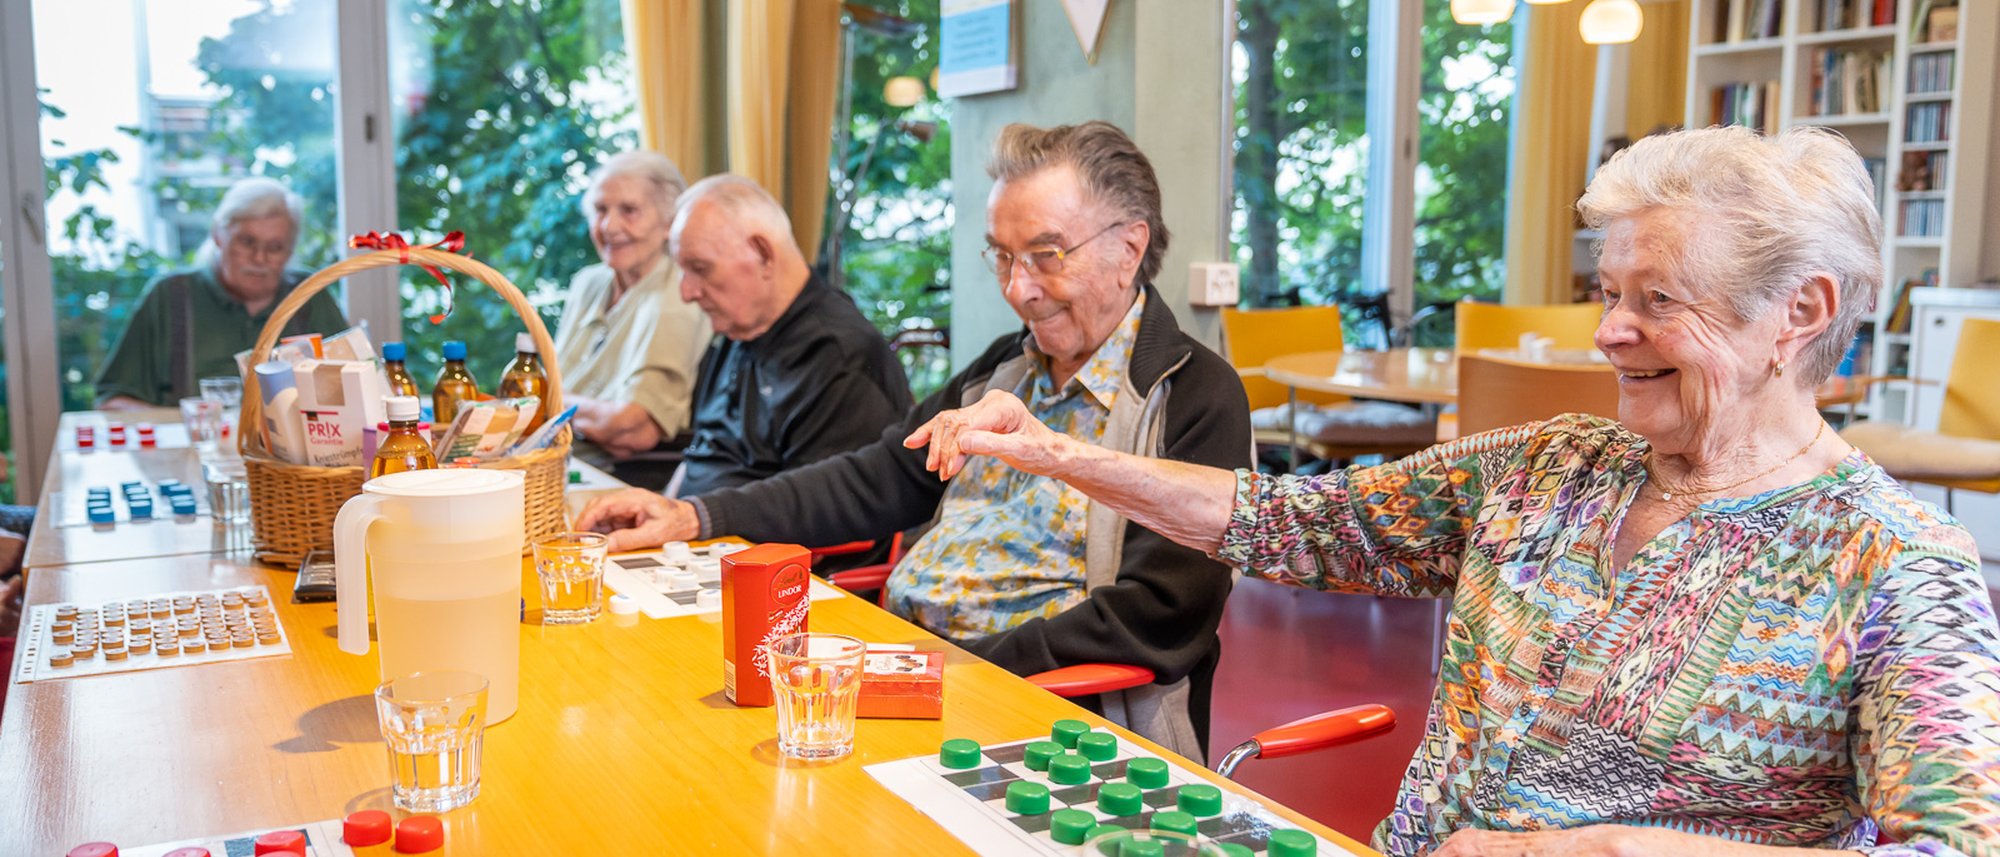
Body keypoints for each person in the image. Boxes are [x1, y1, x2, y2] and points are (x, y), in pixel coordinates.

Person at [907, 126, 2000, 856]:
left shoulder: (1898, 565)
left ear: (1800, 313)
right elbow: (1283, 519)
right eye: (1604, 291)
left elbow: (1946, 845)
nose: (1608, 331)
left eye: (1655, 298)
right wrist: (1054, 452)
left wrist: (1606, 846)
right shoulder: (1545, 466)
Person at [579, 122, 1252, 759]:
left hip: (1048, 717)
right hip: (912, 678)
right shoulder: (1005, 367)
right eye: (1002, 256)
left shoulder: (1193, 394)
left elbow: (1158, 615)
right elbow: (879, 476)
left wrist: (959, 670)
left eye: (1046, 256)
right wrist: (697, 515)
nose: (1019, 289)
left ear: (1128, 249)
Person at [659, 174, 909, 497]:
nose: (686, 292)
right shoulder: (736, 332)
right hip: (688, 537)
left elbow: (814, 515)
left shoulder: (839, 356)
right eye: (682, 271)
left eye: (700, 268)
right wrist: (659, 510)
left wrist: (687, 523)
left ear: (762, 254)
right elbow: (701, 456)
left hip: (756, 543)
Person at [95, 178, 348, 409]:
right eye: (247, 242)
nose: (259, 258)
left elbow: (356, 385)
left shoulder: (309, 295)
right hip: (193, 453)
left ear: (290, 250)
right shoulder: (169, 297)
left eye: (275, 247)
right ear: (218, 235)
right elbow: (114, 401)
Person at [554, 151, 711, 466]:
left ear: (668, 222)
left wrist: (548, 409)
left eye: (629, 210)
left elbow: (633, 428)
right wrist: (589, 417)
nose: (609, 226)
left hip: (614, 475)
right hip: (554, 463)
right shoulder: (588, 283)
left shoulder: (679, 290)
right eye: (600, 210)